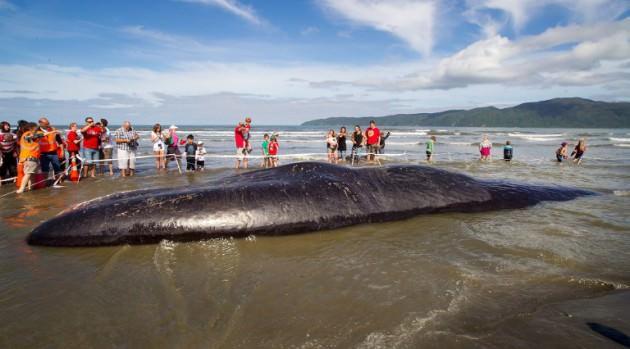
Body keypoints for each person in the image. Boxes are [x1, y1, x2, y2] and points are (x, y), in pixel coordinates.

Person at [16, 123, 43, 194]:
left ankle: (30, 187)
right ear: (31, 129)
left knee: (31, 174)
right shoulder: (26, 135)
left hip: (32, 158)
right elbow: (31, 137)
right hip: (30, 157)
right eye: (36, 129)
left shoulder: (30, 134)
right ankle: (21, 189)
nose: (37, 130)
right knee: (28, 174)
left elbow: (40, 135)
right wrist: (36, 135)